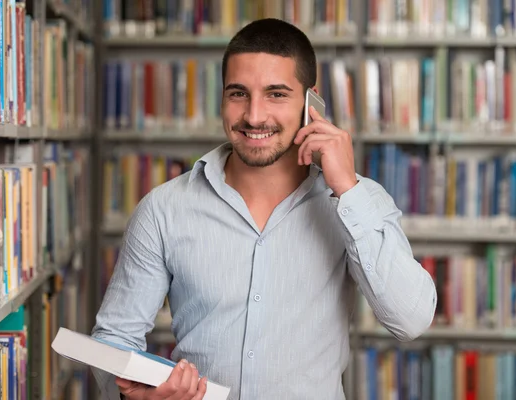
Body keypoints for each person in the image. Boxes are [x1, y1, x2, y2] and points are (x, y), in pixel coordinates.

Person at [91, 18, 437, 400]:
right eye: (238, 93)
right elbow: (114, 339)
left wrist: (346, 189)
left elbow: (411, 319)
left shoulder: (358, 201)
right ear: (222, 97)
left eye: (276, 94)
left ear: (310, 103)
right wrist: (134, 395)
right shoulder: (163, 209)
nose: (254, 117)